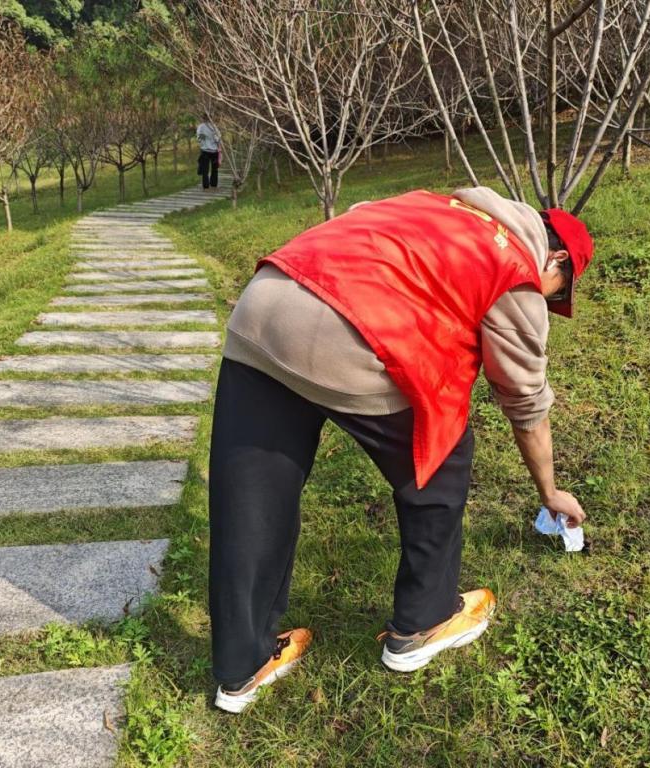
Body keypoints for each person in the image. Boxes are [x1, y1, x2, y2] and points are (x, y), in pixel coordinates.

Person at [208, 186, 594, 713]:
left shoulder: (433, 203)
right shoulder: (513, 266)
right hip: (347, 334)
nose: (547, 300)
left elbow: (358, 223)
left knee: (252, 498)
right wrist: (550, 491)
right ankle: (423, 623)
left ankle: (242, 666)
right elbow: (524, 399)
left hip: (263, 307)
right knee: (441, 459)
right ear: (556, 259)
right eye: (556, 292)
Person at [196, 113, 221, 189]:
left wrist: (204, 143)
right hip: (214, 151)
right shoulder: (214, 127)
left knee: (205, 170)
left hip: (205, 150)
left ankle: (206, 185)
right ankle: (214, 184)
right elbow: (218, 138)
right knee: (214, 169)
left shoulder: (201, 127)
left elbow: (199, 139)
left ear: (203, 118)